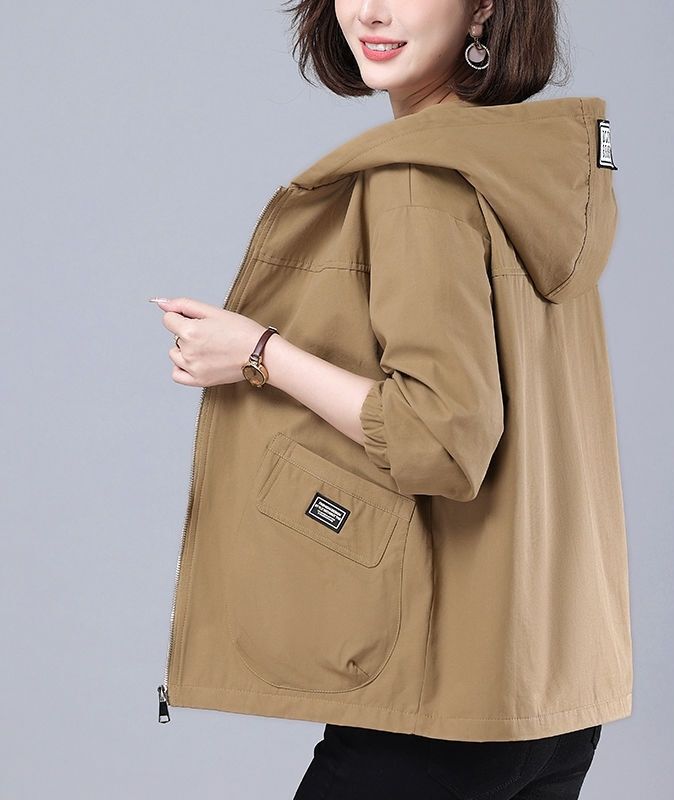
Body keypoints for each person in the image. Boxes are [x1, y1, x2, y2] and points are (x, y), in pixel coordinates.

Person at [151, 0, 632, 797]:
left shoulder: (419, 181)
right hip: (550, 695)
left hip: (439, 706)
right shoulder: (531, 172)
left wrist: (259, 354)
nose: (372, 11)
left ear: (483, 8)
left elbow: (440, 437)